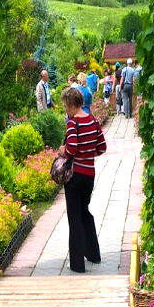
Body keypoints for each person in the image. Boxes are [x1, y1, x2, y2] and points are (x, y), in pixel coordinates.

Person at [60, 86, 106, 273]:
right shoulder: (93, 121)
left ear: (71, 104)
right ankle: (93, 253)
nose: (65, 109)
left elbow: (71, 149)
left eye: (65, 105)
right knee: (85, 211)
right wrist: (88, 153)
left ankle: (77, 264)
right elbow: (102, 147)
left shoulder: (73, 124)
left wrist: (62, 151)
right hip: (89, 175)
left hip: (74, 176)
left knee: (75, 217)